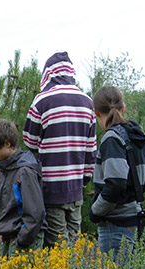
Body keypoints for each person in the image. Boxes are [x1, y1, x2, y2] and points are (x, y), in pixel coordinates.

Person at [23, 52, 97, 248]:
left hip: (52, 187)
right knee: (75, 244)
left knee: (59, 249)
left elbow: (29, 142)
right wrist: (83, 181)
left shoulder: (42, 101)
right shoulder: (88, 102)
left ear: (48, 73)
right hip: (76, 189)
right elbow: (91, 150)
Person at [89, 86, 145, 260]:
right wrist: (132, 196)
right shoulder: (135, 134)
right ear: (123, 108)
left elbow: (116, 184)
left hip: (115, 224)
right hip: (135, 219)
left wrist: (96, 212)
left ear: (95, 112)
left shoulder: (111, 139)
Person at [0, 119, 46, 256]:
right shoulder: (5, 168)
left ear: (7, 144)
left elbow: (35, 213)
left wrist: (22, 239)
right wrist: (2, 230)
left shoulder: (25, 171)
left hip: (23, 241)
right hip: (9, 236)